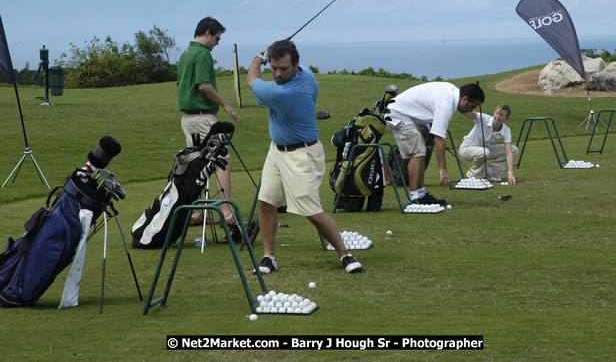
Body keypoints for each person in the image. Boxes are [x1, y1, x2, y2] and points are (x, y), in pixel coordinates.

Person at [246, 39, 362, 274]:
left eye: (283, 69)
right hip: (277, 151)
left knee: (311, 211)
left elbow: (252, 79)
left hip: (302, 154)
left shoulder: (284, 93)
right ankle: (269, 257)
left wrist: (260, 58)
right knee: (266, 202)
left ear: (295, 65)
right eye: (274, 68)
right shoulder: (307, 74)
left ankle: (345, 254)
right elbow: (277, 75)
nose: (277, 74)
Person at [176, 16, 241, 238]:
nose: (217, 43)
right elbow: (203, 85)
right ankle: (227, 214)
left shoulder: (186, 53)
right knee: (223, 162)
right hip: (203, 118)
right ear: (207, 33)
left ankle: (194, 213)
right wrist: (225, 104)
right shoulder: (202, 54)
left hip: (188, 119)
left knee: (197, 164)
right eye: (217, 38)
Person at [386, 81, 485, 205]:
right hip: (397, 114)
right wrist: (443, 170)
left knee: (421, 152)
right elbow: (439, 139)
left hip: (408, 114)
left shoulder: (452, 92)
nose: (471, 110)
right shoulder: (446, 104)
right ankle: (414, 197)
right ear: (465, 99)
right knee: (417, 153)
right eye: (472, 106)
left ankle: (421, 194)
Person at [458, 104, 518, 185]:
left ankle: (491, 174)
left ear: (506, 119)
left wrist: (510, 174)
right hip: (466, 148)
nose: (498, 116)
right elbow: (469, 113)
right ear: (494, 113)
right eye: (497, 113)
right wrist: (461, 104)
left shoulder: (506, 130)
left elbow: (509, 152)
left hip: (483, 149)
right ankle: (472, 176)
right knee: (484, 152)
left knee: (514, 149)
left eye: (501, 115)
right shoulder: (484, 118)